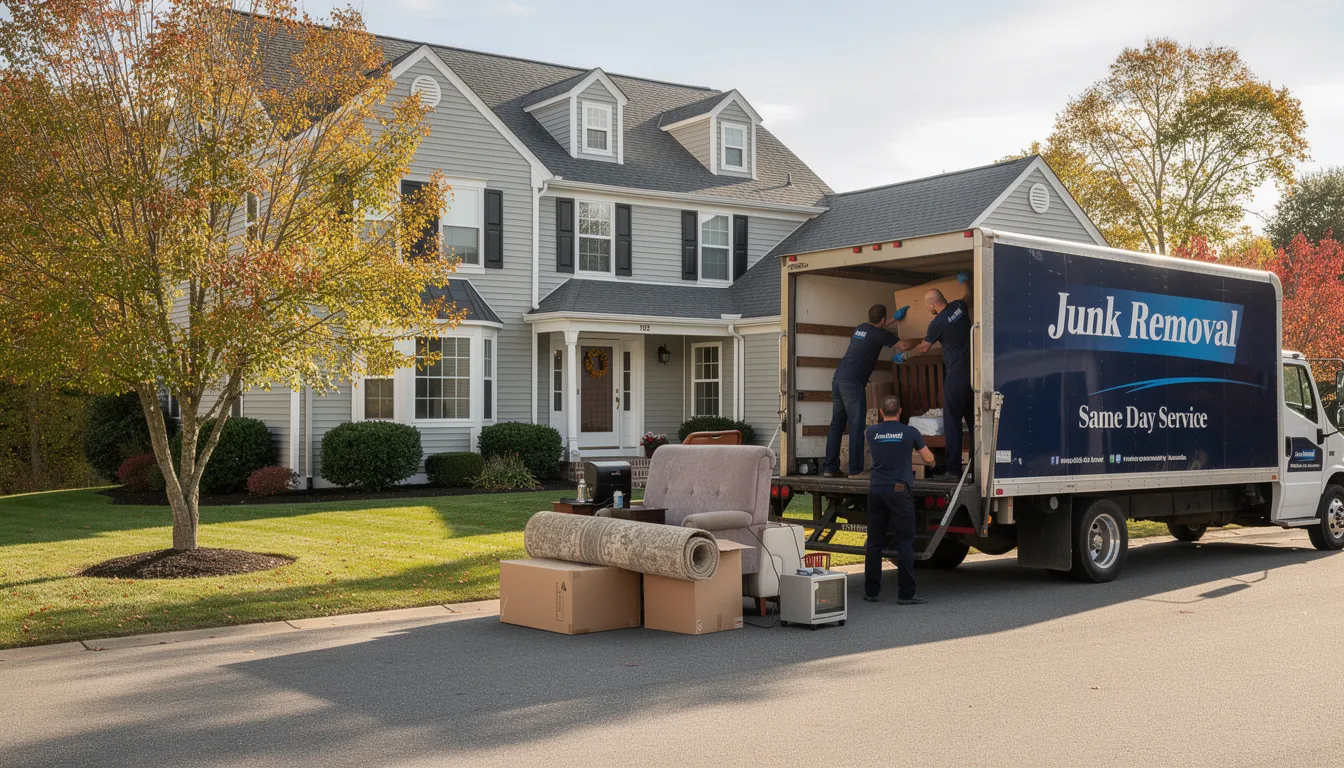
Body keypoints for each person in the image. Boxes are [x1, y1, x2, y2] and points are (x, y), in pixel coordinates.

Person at [894, 273, 973, 481]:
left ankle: (954, 470)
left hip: (956, 375)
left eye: (927, 306)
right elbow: (969, 295)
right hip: (973, 373)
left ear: (931, 305)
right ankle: (976, 467)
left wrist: (904, 356)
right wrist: (965, 280)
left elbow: (924, 348)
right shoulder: (959, 307)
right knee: (974, 422)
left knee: (952, 421)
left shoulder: (937, 323)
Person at [863, 394, 934, 604]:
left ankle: (871, 592)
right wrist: (933, 463)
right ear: (900, 411)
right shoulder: (910, 432)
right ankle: (906, 594)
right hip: (899, 492)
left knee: (874, 543)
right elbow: (928, 458)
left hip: (876, 490)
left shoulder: (871, 432)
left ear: (882, 412)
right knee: (904, 542)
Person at [824, 303, 908, 478]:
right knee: (856, 426)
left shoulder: (860, 328)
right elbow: (905, 346)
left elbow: (878, 326)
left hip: (838, 379)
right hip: (853, 384)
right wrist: (926, 339)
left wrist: (894, 319)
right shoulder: (880, 335)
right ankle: (855, 470)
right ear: (883, 320)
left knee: (836, 425)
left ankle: (830, 468)